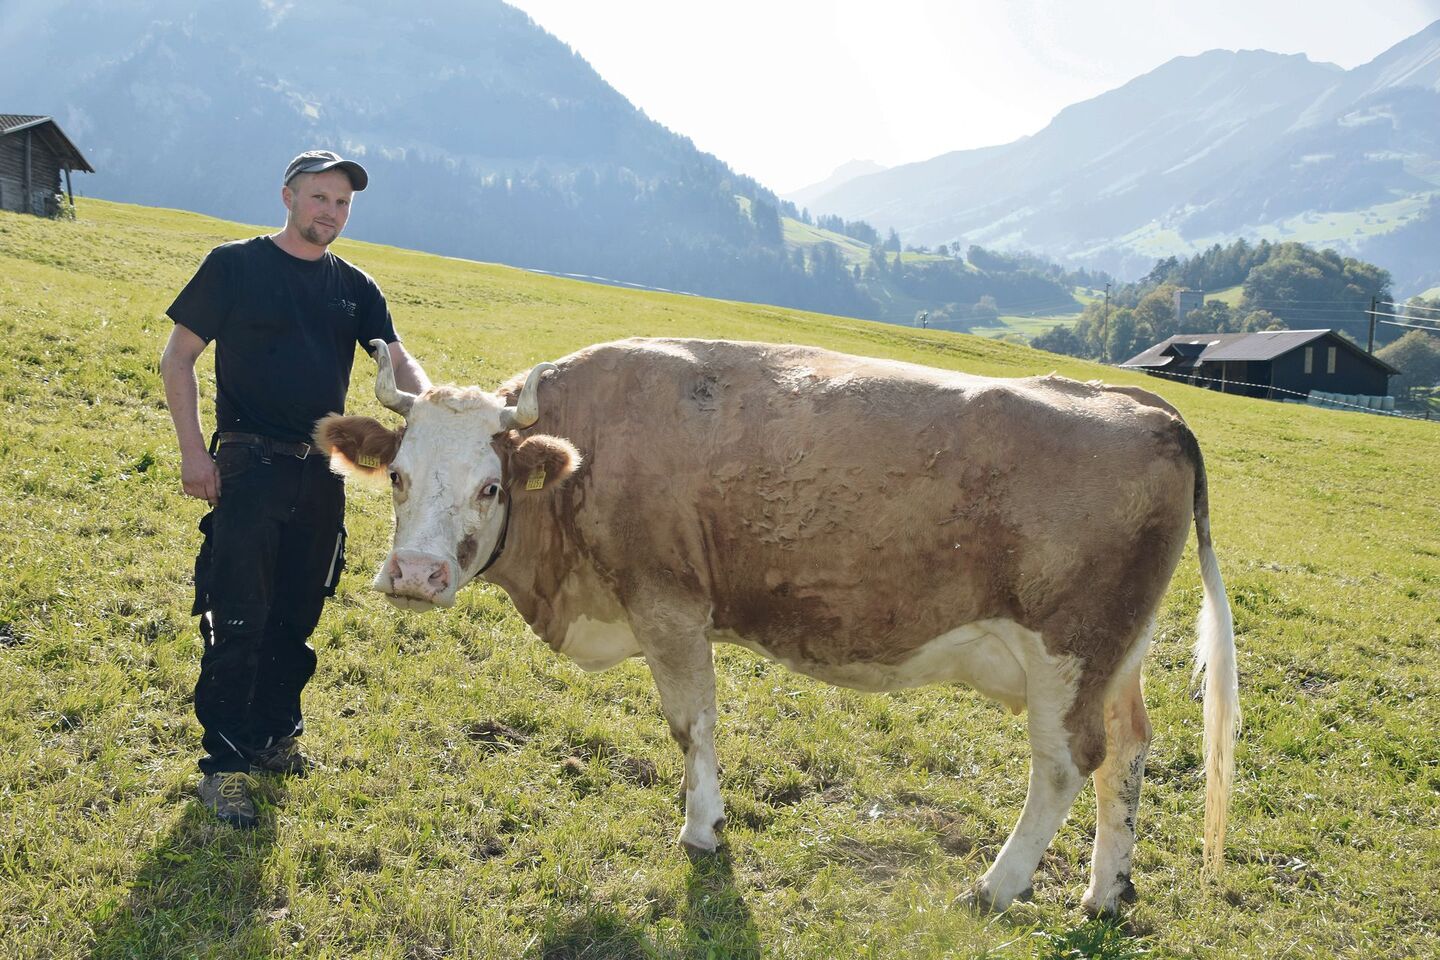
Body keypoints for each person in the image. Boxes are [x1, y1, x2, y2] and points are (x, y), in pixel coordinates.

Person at [159, 149, 430, 827]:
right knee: (239, 617)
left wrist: (437, 409)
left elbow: (400, 363)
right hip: (248, 467)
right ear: (288, 197)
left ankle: (274, 737)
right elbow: (178, 358)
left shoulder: (355, 286)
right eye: (319, 198)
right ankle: (224, 767)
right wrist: (193, 452)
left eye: (342, 203)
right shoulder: (235, 265)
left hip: (321, 474)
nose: (330, 212)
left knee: (297, 616)